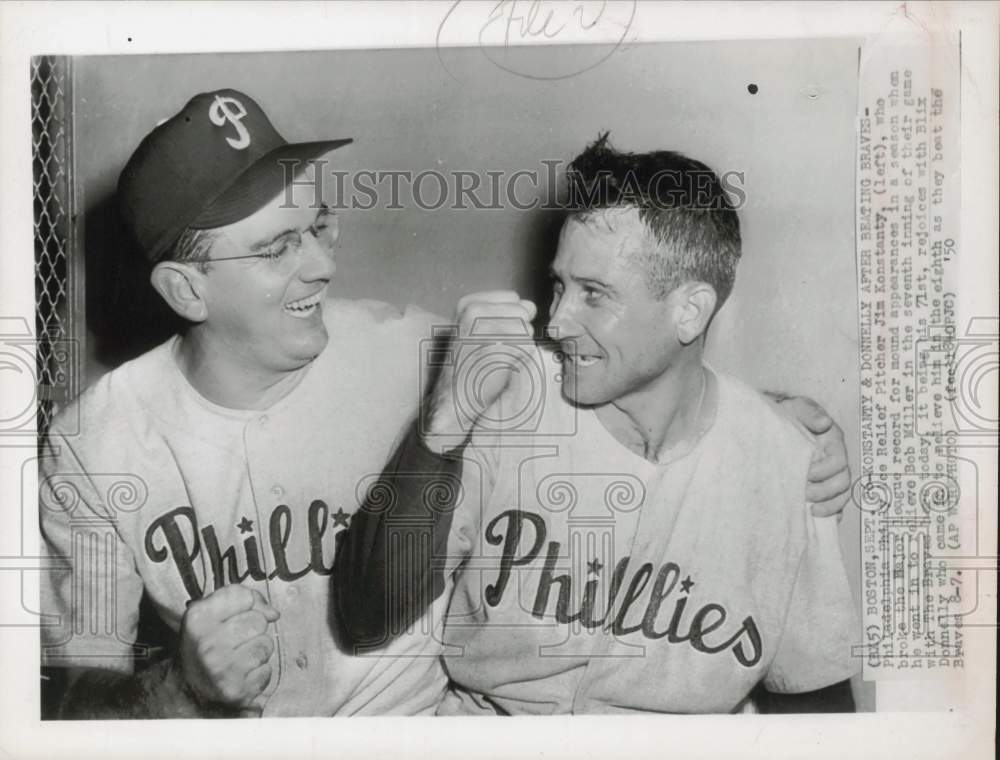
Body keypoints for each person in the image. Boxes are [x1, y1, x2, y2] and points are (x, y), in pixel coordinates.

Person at [40, 90, 851, 719]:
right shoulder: (92, 446)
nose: (323, 266)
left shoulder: (414, 354)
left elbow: (608, 369)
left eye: (320, 226)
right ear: (187, 288)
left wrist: (775, 427)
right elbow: (67, 706)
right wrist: (181, 689)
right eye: (279, 246)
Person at [335, 136, 859, 714]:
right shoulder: (510, 396)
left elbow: (815, 697)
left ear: (691, 311)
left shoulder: (783, 459)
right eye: (559, 285)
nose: (557, 320)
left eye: (594, 294)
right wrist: (440, 429)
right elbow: (367, 619)